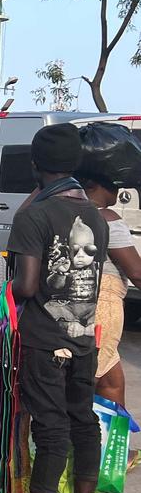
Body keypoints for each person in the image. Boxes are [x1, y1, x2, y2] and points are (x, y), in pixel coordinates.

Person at [0, 124, 108, 493]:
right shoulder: (96, 215)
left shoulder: (34, 215)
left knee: (50, 428)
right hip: (84, 334)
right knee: (83, 422)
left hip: (44, 337)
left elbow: (27, 286)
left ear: (35, 165)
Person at [82, 176, 141, 412]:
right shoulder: (107, 217)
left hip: (75, 304)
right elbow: (136, 272)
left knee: (112, 381)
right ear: (91, 183)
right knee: (86, 384)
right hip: (103, 305)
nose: (118, 188)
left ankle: (116, 446)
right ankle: (81, 446)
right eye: (112, 183)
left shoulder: (62, 211)